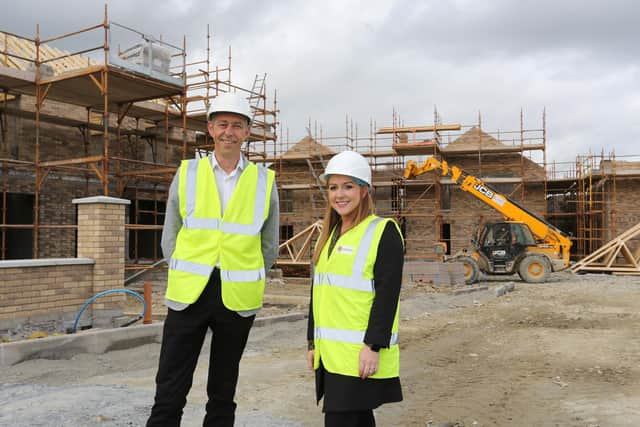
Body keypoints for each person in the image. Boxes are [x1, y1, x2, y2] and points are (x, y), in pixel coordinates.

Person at [147, 92, 279, 427]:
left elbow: (269, 245)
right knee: (170, 385)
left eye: (237, 125)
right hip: (189, 292)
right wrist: (184, 267)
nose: (229, 132)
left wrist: (248, 271)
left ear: (247, 132)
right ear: (210, 128)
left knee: (223, 388)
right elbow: (170, 233)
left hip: (237, 296)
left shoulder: (265, 181)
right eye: (223, 124)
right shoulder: (188, 172)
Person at [306, 150, 404, 427]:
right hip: (330, 355)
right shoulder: (327, 237)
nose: (340, 194)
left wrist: (373, 346)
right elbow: (318, 293)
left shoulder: (382, 231)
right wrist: (312, 341)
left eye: (348, 186)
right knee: (358, 420)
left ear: (364, 191)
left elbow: (387, 295)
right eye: (333, 187)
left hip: (358, 355)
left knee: (341, 421)